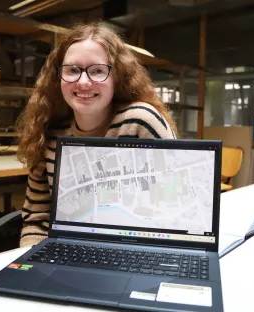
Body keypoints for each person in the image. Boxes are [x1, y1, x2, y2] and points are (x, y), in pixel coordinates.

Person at [16, 21, 177, 247]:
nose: (83, 82)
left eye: (98, 71)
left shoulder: (141, 122)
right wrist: (33, 266)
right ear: (58, 76)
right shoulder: (48, 131)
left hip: (135, 251)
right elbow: (38, 222)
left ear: (117, 77)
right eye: (72, 70)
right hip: (69, 252)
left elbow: (173, 212)